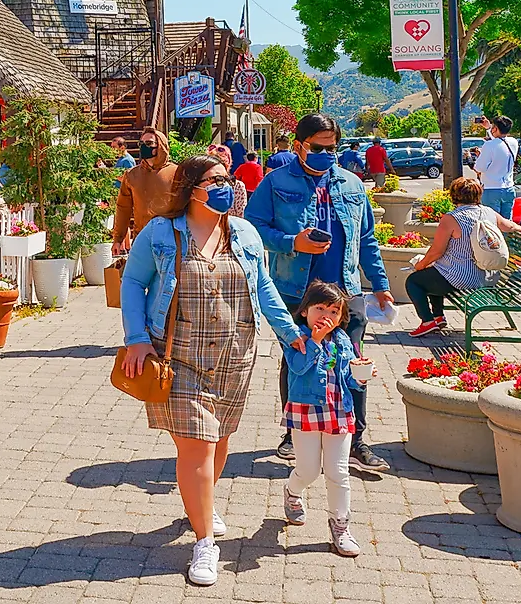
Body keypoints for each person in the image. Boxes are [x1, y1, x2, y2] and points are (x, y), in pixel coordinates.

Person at [118, 156, 303, 588]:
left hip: (236, 355)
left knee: (219, 442)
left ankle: (201, 502)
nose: (227, 186)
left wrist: (291, 333)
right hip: (177, 356)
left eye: (228, 179)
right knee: (197, 447)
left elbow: (265, 288)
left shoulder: (244, 232)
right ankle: (204, 543)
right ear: (191, 187)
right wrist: (136, 338)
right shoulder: (162, 232)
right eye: (216, 180)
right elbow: (132, 282)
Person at [249, 112, 392, 476]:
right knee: (299, 362)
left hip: (347, 293)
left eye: (333, 147)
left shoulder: (352, 184)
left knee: (353, 364)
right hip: (296, 293)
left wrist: (381, 286)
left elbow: (367, 240)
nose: (327, 153)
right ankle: (294, 433)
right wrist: (290, 242)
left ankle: (356, 439)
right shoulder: (275, 182)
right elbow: (251, 229)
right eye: (319, 147)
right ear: (299, 146)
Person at [281, 279, 368, 557]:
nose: (326, 316)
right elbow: (297, 368)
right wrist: (315, 342)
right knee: (308, 471)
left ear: (342, 316)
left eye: (334, 311)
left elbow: (347, 378)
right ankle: (292, 492)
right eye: (320, 308)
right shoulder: (296, 337)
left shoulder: (343, 340)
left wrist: (361, 377)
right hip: (306, 411)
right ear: (305, 311)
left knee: (338, 471)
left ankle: (340, 526)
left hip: (339, 411)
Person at [401, 175, 521, 336]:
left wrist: (419, 265)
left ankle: (428, 321)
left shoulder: (451, 218)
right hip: (483, 277)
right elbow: (510, 226)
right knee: (433, 270)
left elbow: (437, 251)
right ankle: (438, 317)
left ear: (454, 195)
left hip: (459, 279)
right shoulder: (488, 212)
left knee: (414, 281)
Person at [111, 136, 180, 253]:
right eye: (141, 142)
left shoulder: (176, 172)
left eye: (149, 143)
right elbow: (123, 208)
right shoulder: (132, 175)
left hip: (171, 240)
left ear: (160, 145)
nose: (144, 146)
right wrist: (118, 239)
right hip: (142, 239)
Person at [472, 117, 521, 217]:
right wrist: (488, 128)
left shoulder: (489, 145)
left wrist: (479, 157)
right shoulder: (513, 142)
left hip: (491, 189)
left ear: (495, 128)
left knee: (492, 222)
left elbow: (479, 168)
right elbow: (500, 142)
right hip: (508, 188)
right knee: (506, 222)